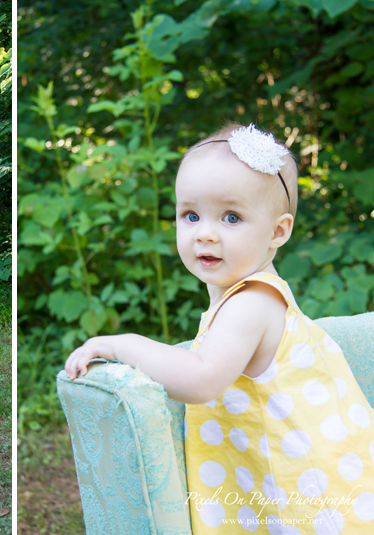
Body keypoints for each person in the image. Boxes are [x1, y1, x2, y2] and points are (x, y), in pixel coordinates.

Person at [64, 124, 374, 532]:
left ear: (278, 231)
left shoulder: (250, 303)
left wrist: (121, 345)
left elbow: (201, 378)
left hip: (310, 500)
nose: (205, 233)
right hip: (290, 482)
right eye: (190, 215)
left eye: (231, 217)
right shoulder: (247, 295)